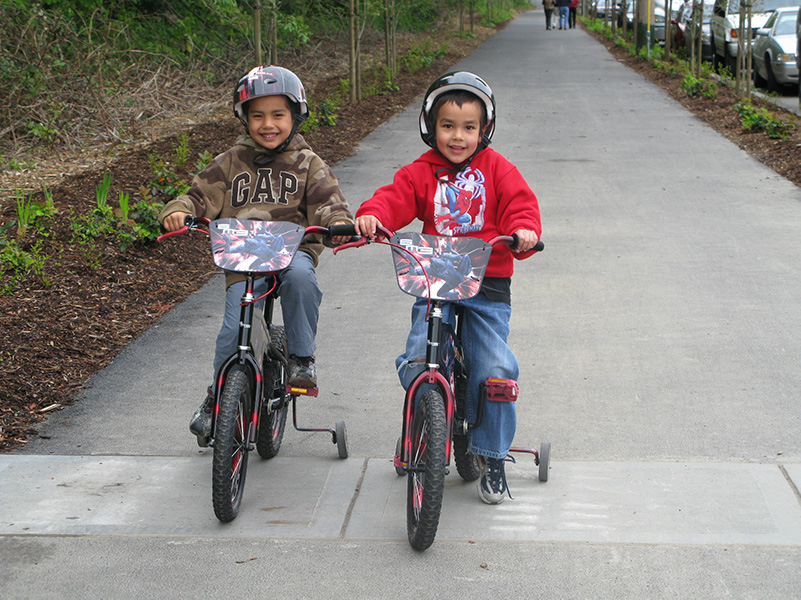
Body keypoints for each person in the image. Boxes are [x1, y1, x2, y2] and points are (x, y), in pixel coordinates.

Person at [354, 72, 542, 505]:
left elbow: (520, 205)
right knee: (421, 354)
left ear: (484, 130)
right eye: (448, 126)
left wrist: (524, 230)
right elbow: (392, 199)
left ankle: (492, 457)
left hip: (486, 283)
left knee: (495, 367)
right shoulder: (421, 172)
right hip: (435, 277)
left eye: (469, 127)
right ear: (430, 126)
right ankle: (420, 426)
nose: (458, 137)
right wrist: (372, 215)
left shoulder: (497, 169)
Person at [159, 65, 354, 443]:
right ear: (244, 119)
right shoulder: (231, 161)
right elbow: (198, 195)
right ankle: (218, 396)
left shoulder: (309, 164)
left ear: (295, 116)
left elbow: (329, 204)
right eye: (257, 115)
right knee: (232, 331)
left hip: (291, 252)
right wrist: (179, 210)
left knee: (300, 279)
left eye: (278, 114)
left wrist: (339, 225)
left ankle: (301, 357)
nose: (268, 124)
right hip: (244, 258)